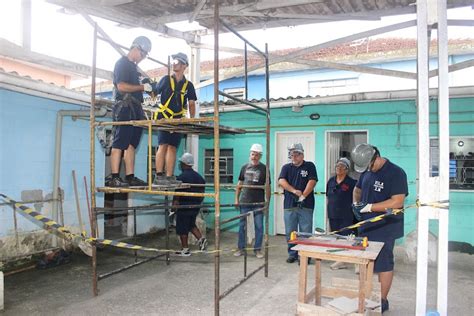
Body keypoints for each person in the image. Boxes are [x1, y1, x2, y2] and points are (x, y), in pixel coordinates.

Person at [351, 143, 408, 313]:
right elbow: (357, 189)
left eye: (369, 165)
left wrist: (369, 207)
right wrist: (356, 204)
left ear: (376, 157)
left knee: (383, 264)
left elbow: (398, 202)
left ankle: (382, 300)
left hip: (386, 226)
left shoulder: (396, 173)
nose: (368, 169)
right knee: (366, 262)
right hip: (366, 225)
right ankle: (367, 295)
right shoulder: (367, 172)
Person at [107, 36, 157, 187]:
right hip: (124, 107)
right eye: (142, 54)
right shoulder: (122, 64)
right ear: (136, 48)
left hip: (135, 108)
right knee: (119, 142)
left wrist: (146, 86)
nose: (142, 58)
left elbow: (137, 87)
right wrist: (142, 87)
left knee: (131, 145)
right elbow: (121, 86)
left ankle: (130, 176)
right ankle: (115, 176)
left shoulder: (133, 68)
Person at [153, 53, 197, 185]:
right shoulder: (166, 80)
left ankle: (169, 175)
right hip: (164, 117)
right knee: (163, 145)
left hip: (178, 120)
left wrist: (191, 120)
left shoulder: (188, 85)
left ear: (184, 66)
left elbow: (191, 103)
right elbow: (154, 92)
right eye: (173, 61)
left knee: (172, 147)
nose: (174, 63)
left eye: (177, 61)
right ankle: (159, 175)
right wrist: (148, 86)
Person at [278, 143, 317, 263]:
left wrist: (303, 195)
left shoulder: (309, 166)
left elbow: (312, 181)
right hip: (290, 205)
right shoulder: (286, 168)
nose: (293, 157)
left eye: (296, 155)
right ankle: (293, 253)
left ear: (302, 154)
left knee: (305, 231)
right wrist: (294, 191)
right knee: (291, 231)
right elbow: (281, 181)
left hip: (306, 205)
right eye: (292, 155)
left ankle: (304, 255)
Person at [234, 144, 269, 259]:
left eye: (257, 155)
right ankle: (241, 248)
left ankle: (257, 249)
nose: (254, 157)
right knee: (242, 226)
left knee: (259, 226)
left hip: (258, 203)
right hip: (245, 201)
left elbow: (268, 186)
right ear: (250, 154)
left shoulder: (264, 169)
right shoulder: (244, 167)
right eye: (253, 154)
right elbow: (239, 184)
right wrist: (236, 199)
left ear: (260, 156)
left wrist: (267, 201)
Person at [173, 153, 207, 256]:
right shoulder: (199, 177)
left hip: (184, 206)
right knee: (191, 224)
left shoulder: (181, 177)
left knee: (182, 227)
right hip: (195, 206)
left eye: (181, 163)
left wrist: (175, 204)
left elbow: (177, 193)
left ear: (184, 164)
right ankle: (201, 239)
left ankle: (185, 250)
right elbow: (202, 193)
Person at [326, 157, 357, 270]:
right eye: (337, 166)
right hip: (333, 214)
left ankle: (351, 260)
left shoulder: (352, 183)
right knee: (336, 238)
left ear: (347, 169)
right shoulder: (331, 181)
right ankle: (340, 259)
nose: (339, 168)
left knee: (347, 238)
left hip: (346, 215)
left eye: (342, 166)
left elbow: (356, 198)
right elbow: (328, 197)